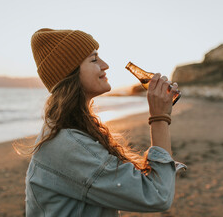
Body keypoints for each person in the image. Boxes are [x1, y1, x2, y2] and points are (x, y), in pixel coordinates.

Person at [23, 28, 186, 216]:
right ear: (71, 74)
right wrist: (159, 118)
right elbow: (157, 194)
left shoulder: (72, 130)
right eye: (94, 59)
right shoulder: (67, 144)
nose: (105, 65)